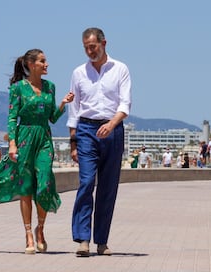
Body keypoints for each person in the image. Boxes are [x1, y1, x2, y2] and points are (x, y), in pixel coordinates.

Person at [0, 48, 74, 254]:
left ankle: (41, 229)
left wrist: (62, 105)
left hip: (44, 138)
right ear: (31, 64)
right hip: (24, 138)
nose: (47, 64)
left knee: (45, 183)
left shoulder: (50, 87)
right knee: (25, 187)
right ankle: (29, 234)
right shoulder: (18, 88)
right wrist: (12, 144)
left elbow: (52, 118)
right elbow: (12, 117)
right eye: (43, 61)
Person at [66, 27, 131, 257]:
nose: (89, 51)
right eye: (85, 47)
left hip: (113, 130)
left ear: (104, 43)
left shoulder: (120, 69)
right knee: (85, 183)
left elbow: (125, 104)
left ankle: (101, 241)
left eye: (92, 46)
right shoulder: (78, 73)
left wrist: (111, 125)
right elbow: (73, 111)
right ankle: (83, 239)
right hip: (86, 130)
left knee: (107, 187)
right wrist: (73, 143)